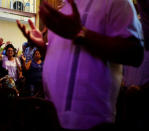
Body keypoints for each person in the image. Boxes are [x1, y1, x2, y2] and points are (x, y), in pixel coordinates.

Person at [17, 0, 144, 130]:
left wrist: (80, 33)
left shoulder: (115, 2)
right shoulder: (64, 8)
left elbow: (135, 52)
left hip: (93, 123)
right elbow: (72, 57)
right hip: (53, 119)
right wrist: (43, 48)